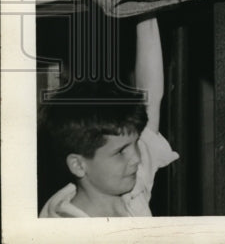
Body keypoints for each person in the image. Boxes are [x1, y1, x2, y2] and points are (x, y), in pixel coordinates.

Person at [39, 17, 179, 217]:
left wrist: (144, 10)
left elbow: (151, 98)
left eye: (136, 143)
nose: (137, 158)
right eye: (121, 151)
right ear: (78, 165)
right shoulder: (63, 230)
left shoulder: (129, 189)